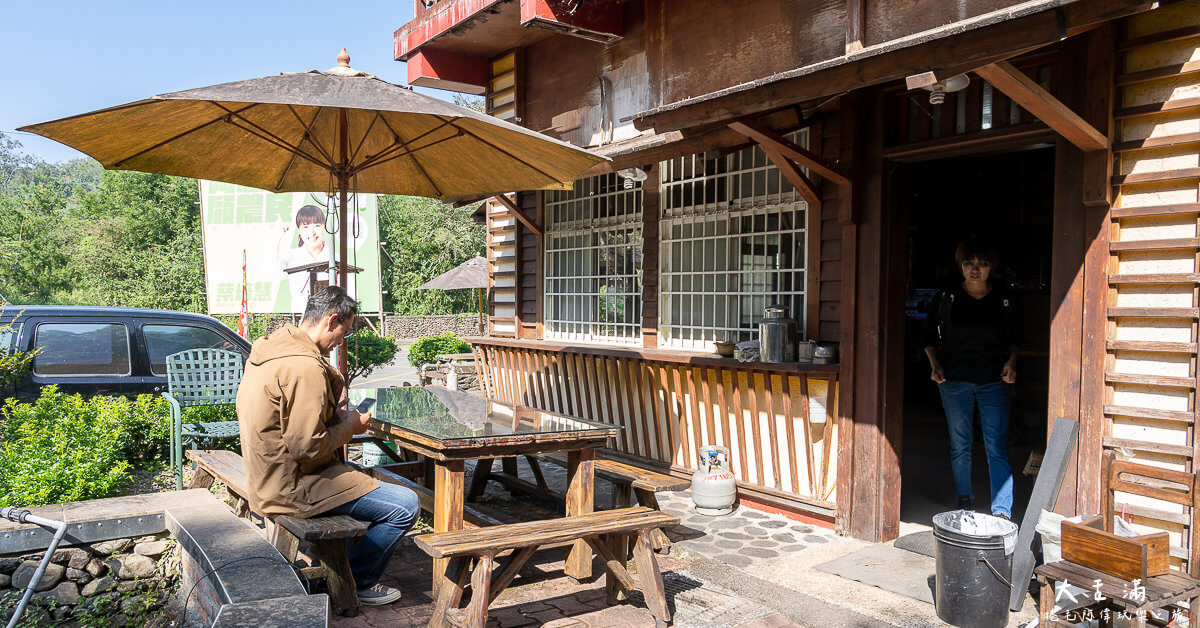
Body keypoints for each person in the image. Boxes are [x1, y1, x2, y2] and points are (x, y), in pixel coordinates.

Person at [237, 286, 418, 605]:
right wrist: (351, 426)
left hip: (267, 478)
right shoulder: (305, 368)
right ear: (331, 321)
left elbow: (287, 425)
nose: (341, 341)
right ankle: (355, 580)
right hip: (292, 487)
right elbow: (307, 448)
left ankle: (343, 564)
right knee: (405, 504)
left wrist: (331, 416)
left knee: (371, 478)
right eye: (344, 333)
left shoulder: (269, 352)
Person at [921, 237, 1018, 520]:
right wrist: (935, 364)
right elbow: (928, 336)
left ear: (992, 267)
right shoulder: (947, 298)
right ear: (960, 266)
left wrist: (1012, 363)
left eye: (982, 263)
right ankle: (965, 498)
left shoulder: (1003, 298)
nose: (975, 269)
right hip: (954, 382)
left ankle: (1001, 510)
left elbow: (1015, 339)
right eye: (969, 263)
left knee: (996, 446)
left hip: (993, 382)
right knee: (960, 444)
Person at [277, 205, 332, 312]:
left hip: (330, 319)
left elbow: (352, 295)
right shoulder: (292, 256)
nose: (312, 232)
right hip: (301, 320)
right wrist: (280, 238)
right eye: (306, 227)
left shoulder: (335, 258)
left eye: (316, 225)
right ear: (299, 230)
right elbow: (275, 272)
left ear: (324, 227)